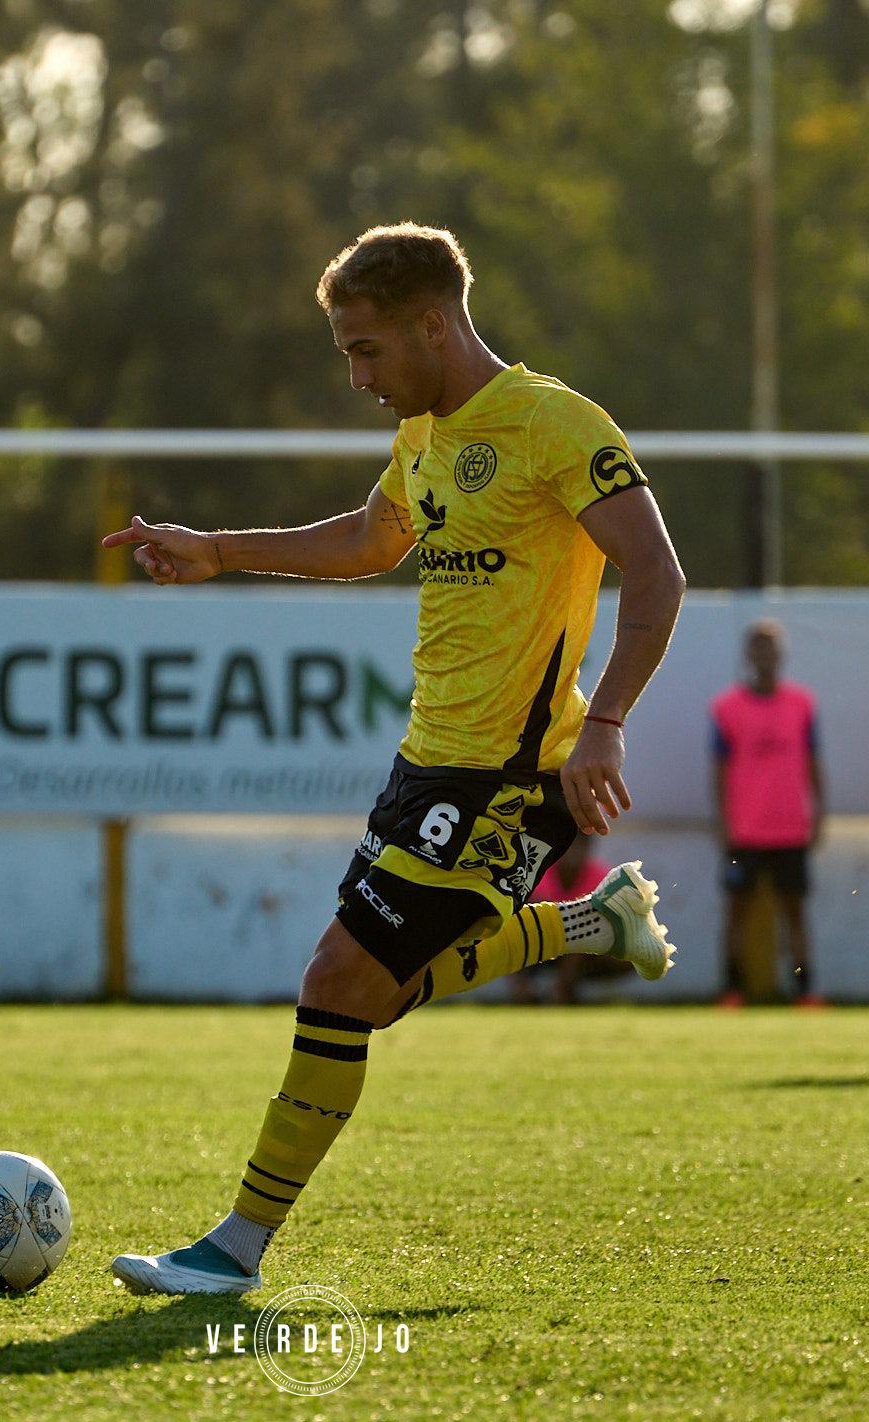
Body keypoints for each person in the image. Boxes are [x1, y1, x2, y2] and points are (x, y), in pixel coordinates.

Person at [100, 223, 687, 1295]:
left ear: (430, 322)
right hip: (426, 761)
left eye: (365, 350)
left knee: (337, 978)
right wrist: (220, 550)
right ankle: (590, 924)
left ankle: (233, 1250)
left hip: (514, 769)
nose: (358, 376)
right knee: (367, 987)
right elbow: (374, 541)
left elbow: (657, 575)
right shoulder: (422, 434)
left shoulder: (555, 425)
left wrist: (602, 723)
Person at [710, 620, 824, 1007]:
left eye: (771, 648)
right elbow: (719, 771)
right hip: (745, 828)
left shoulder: (802, 704)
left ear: (781, 654)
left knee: (794, 912)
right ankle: (732, 990)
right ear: (748, 656)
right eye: (757, 648)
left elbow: (813, 762)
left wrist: (820, 813)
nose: (764, 656)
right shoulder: (727, 708)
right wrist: (722, 822)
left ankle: (805, 990)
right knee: (736, 911)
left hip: (790, 826)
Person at [510, 835, 635, 1004]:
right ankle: (525, 992)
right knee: (515, 931)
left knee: (585, 931)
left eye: (579, 846)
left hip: (585, 950)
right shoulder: (541, 871)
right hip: (544, 942)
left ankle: (561, 989)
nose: (573, 853)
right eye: (569, 847)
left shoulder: (601, 875)